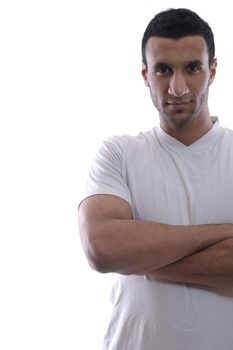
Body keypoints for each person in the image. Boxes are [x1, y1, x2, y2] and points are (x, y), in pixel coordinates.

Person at [78, 8, 233, 350]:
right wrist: (223, 235)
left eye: (192, 68)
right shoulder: (118, 153)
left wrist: (139, 257)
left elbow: (119, 253)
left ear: (213, 71)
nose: (177, 88)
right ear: (146, 74)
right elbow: (102, 248)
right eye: (164, 70)